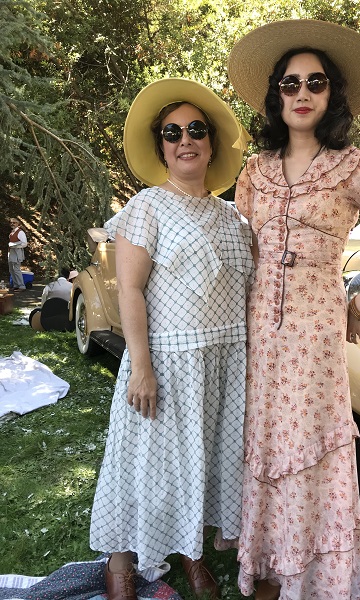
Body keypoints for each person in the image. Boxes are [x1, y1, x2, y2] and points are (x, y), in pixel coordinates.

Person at [227, 19, 360, 600]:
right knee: (266, 441)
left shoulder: (356, 164)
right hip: (260, 329)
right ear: (276, 96)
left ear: (331, 94)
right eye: (290, 84)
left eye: (315, 83)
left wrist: (358, 301)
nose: (303, 94)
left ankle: (318, 579)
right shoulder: (256, 172)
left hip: (316, 334)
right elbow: (241, 250)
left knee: (312, 446)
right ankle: (270, 569)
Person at [89, 78, 254, 600]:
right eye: (173, 131)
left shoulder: (235, 217)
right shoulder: (147, 206)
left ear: (211, 143)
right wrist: (141, 365)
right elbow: (131, 289)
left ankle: (192, 553)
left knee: (205, 465)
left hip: (225, 363)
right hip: (167, 362)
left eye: (196, 130)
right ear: (161, 146)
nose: (186, 139)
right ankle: (120, 562)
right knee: (148, 466)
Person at [8, 217, 27, 291]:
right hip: (11, 252)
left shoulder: (20, 232)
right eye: (11, 222)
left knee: (16, 269)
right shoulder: (12, 232)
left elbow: (24, 243)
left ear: (18, 223)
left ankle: (21, 286)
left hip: (17, 251)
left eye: (14, 222)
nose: (12, 224)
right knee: (11, 269)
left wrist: (15, 246)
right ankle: (16, 285)